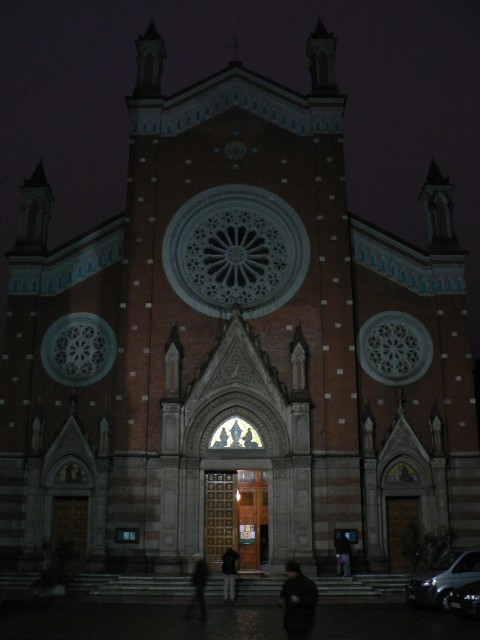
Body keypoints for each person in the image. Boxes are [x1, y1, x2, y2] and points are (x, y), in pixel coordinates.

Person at [278, 561, 318, 640]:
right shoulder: (287, 583)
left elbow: (313, 598)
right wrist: (280, 601)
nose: (288, 574)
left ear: (295, 572)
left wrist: (299, 599)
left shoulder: (308, 583)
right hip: (290, 620)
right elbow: (283, 595)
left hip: (303, 619)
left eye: (289, 572)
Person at [185, 552, 209, 620]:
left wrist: (196, 581)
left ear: (198, 558)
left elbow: (199, 575)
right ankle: (202, 615)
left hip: (199, 584)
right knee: (199, 600)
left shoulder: (200, 564)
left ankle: (189, 613)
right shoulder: (202, 564)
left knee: (196, 600)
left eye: (196, 557)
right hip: (200, 584)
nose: (195, 559)